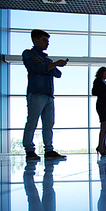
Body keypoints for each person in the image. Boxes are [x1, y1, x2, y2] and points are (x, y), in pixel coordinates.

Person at [22, 29, 68, 161]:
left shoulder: (45, 59)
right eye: (44, 40)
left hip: (48, 95)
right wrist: (50, 65)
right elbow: (36, 68)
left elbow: (58, 74)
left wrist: (46, 65)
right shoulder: (28, 54)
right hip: (36, 93)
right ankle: (29, 149)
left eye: (48, 41)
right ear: (35, 40)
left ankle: (49, 150)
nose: (47, 43)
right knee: (32, 122)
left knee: (48, 124)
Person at [92, 66, 106, 156]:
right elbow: (94, 92)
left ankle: (102, 146)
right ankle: (101, 146)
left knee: (105, 126)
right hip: (101, 105)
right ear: (101, 73)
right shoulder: (97, 81)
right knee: (104, 126)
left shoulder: (105, 83)